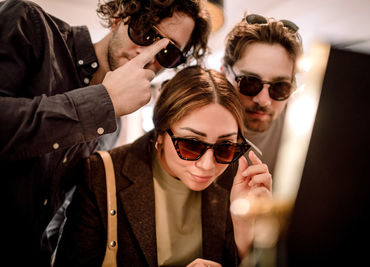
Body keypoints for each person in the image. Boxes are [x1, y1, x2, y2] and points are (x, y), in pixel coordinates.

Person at [0, 0, 210, 265]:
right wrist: (103, 101)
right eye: (145, 32)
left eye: (168, 53)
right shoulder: (30, 25)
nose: (148, 55)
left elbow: (62, 210)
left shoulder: (112, 125)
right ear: (118, 18)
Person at [53, 66, 272, 267]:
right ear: (160, 133)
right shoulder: (101, 174)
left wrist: (245, 226)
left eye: (225, 146)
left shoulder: (238, 179)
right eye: (191, 145)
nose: (207, 164)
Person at [222, 14, 303, 175]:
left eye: (280, 87)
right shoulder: (199, 122)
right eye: (250, 82)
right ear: (224, 75)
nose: (263, 100)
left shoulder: (302, 132)